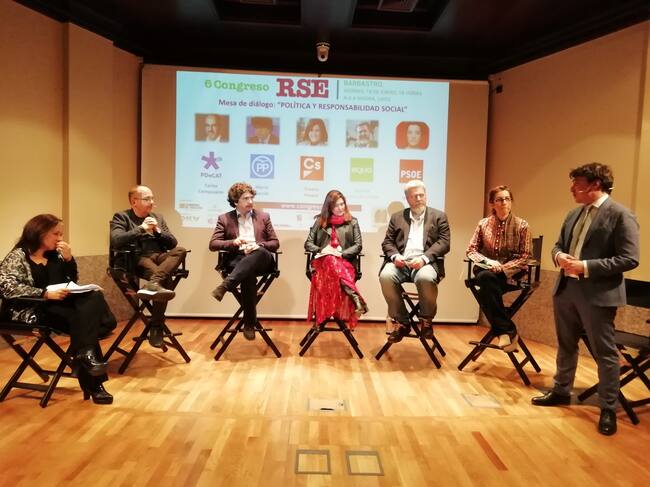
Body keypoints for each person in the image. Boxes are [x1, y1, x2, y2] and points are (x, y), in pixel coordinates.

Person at [531, 162, 639, 436]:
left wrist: (586, 267)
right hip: (566, 289)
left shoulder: (621, 215)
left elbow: (629, 258)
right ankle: (561, 390)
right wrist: (558, 256)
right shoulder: (573, 214)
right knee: (566, 345)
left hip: (598, 294)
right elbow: (558, 245)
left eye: (577, 183)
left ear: (595, 184)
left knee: (605, 353)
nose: (571, 188)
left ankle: (608, 408)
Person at [0, 214, 115, 404]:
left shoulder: (55, 256)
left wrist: (69, 260)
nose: (60, 238)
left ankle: (84, 355)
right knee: (85, 325)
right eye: (56, 234)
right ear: (39, 232)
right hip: (28, 310)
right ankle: (95, 384)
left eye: (61, 234)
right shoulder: (18, 256)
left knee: (93, 297)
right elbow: (7, 287)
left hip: (56, 307)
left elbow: (71, 282)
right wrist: (44, 293)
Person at [110, 185, 187, 348]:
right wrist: (141, 228)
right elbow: (116, 240)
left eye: (152, 198)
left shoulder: (158, 217)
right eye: (147, 199)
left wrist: (158, 231)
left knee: (180, 251)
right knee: (164, 279)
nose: (152, 202)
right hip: (138, 258)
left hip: (159, 256)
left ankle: (154, 282)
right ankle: (157, 327)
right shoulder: (122, 217)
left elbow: (172, 243)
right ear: (134, 202)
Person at [379, 180, 450, 342]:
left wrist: (424, 259)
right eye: (414, 196)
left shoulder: (439, 216)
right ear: (407, 198)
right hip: (402, 262)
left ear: (426, 195)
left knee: (425, 277)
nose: (418, 199)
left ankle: (426, 321)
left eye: (421, 195)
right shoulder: (397, 217)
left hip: (426, 262)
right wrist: (395, 256)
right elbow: (387, 242)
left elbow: (444, 243)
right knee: (386, 276)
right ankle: (402, 322)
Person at [209, 182, 280, 340]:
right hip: (238, 259)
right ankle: (249, 324)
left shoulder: (263, 216)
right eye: (246, 198)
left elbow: (275, 243)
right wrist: (233, 242)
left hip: (261, 258)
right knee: (247, 272)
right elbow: (213, 244)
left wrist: (259, 245)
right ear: (235, 202)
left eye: (251, 198)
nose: (250, 201)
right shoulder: (225, 218)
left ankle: (225, 285)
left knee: (257, 254)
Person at [466, 185, 532, 352]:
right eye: (499, 199)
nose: (504, 202)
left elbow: (525, 256)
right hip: (486, 270)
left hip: (510, 274)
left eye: (507, 199)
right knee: (486, 277)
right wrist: (489, 262)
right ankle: (508, 331)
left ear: (511, 202)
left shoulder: (522, 225)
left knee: (485, 291)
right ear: (492, 203)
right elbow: (471, 250)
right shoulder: (483, 224)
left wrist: (503, 268)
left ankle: (504, 331)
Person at [304, 190, 368, 328]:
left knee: (332, 259)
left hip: (345, 263)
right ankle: (356, 298)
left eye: (342, 204)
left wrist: (341, 254)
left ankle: (322, 317)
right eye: (336, 205)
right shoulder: (320, 221)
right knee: (329, 258)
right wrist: (322, 250)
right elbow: (308, 243)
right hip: (322, 264)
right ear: (329, 207)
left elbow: (358, 245)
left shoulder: (353, 222)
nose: (340, 208)